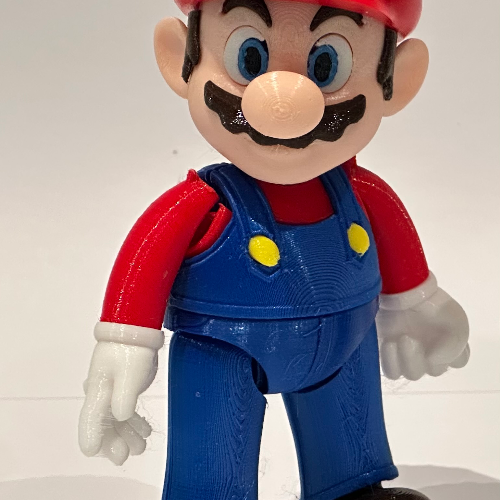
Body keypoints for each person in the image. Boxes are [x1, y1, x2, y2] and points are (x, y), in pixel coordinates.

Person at [79, 0, 470, 498]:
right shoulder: (201, 202)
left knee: (348, 420)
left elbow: (400, 251)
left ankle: (351, 487)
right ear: (180, 59)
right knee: (216, 440)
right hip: (224, 347)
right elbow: (145, 260)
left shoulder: (359, 192)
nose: (286, 101)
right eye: (250, 59)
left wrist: (417, 305)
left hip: (346, 336)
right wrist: (124, 343)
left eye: (326, 66)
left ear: (399, 80)